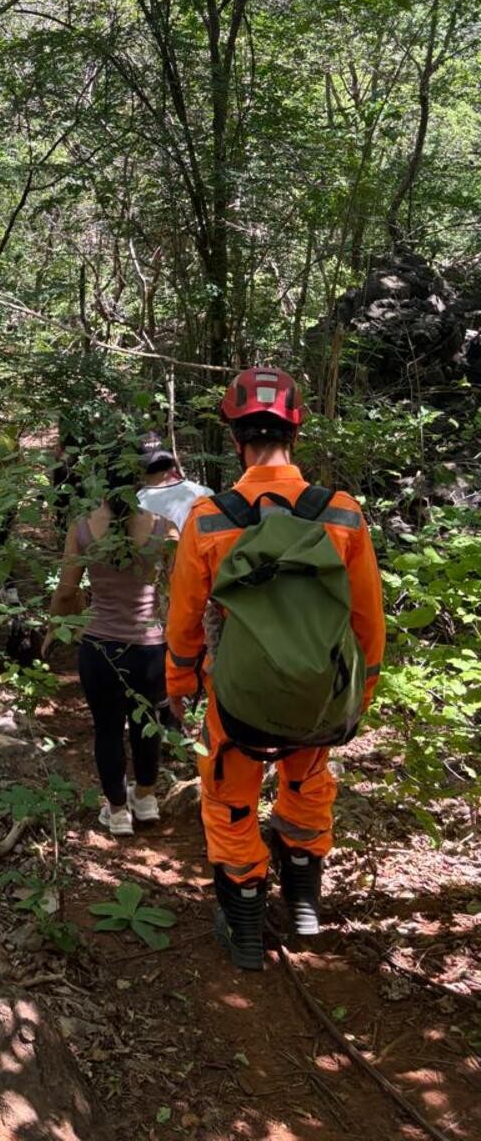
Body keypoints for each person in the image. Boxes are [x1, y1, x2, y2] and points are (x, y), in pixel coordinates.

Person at [166, 367, 385, 970]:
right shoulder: (341, 514)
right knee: (308, 785)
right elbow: (366, 620)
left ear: (236, 436)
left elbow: (184, 621)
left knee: (229, 797)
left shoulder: (209, 519)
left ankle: (244, 928)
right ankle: (304, 904)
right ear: (296, 432)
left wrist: (179, 684)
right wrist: (359, 692)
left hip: (239, 695)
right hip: (319, 694)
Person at [51, 432, 181, 836]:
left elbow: (66, 592)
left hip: (100, 646)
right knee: (147, 723)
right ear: (137, 479)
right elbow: (178, 591)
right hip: (150, 647)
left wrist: (59, 626)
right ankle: (146, 798)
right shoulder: (164, 527)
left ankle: (118, 810)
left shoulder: (82, 527)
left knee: (107, 729)